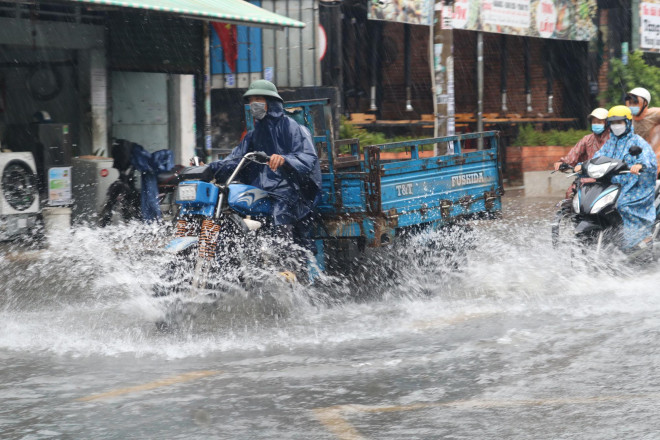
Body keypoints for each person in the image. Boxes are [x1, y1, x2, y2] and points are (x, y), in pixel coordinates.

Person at [207, 80, 322, 261]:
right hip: (261, 190)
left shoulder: (292, 127)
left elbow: (308, 157)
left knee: (280, 212)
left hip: (291, 190)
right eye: (251, 100)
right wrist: (208, 168)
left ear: (271, 102)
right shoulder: (254, 135)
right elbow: (235, 159)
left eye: (258, 99)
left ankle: (287, 262)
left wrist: (285, 160)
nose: (254, 104)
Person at [576, 105, 657, 252]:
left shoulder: (636, 141)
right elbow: (597, 158)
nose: (616, 126)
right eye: (613, 123)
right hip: (614, 184)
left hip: (635, 185)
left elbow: (648, 159)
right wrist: (582, 166)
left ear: (627, 123)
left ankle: (641, 237)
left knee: (622, 204)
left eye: (619, 122)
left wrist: (639, 165)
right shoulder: (610, 143)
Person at [554, 108, 610, 197]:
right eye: (594, 122)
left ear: (607, 123)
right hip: (586, 179)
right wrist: (562, 163)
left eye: (599, 122)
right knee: (570, 194)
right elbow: (574, 154)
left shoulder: (613, 140)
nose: (596, 124)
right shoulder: (587, 139)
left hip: (608, 179)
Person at [625, 87, 660, 164]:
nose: (632, 106)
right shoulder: (627, 118)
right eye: (630, 103)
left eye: (635, 103)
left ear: (645, 103)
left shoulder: (654, 114)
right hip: (633, 156)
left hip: (653, 156)